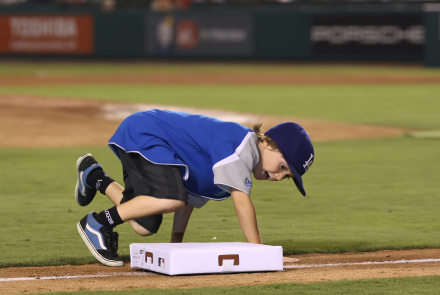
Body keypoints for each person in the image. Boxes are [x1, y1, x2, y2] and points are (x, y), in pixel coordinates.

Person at [75, 109, 315, 267]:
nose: (278, 176)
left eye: (286, 176)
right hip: (147, 133)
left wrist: (176, 245)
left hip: (150, 141)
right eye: (283, 166)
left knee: (144, 225)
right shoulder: (240, 148)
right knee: (170, 198)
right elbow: (242, 203)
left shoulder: (236, 165)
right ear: (269, 142)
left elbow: (188, 200)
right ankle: (98, 223)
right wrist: (260, 254)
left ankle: (94, 176)